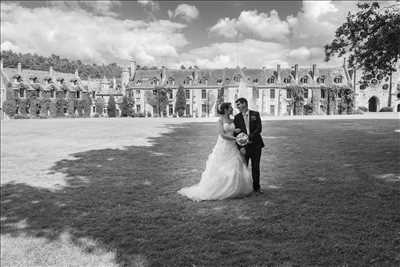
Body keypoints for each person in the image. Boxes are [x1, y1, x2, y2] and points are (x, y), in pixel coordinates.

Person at [178, 102, 253, 201]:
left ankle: (236, 189)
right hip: (224, 145)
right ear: (226, 109)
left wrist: (237, 132)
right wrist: (236, 139)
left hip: (233, 146)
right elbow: (222, 134)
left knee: (235, 164)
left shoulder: (233, 119)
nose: (232, 109)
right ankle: (220, 188)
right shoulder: (221, 120)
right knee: (221, 166)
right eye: (230, 107)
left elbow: (232, 130)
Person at [233, 98, 264, 193]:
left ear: (244, 104)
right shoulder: (237, 117)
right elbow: (236, 134)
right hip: (244, 147)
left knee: (256, 167)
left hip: (256, 145)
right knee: (244, 168)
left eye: (238, 104)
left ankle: (257, 188)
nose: (237, 106)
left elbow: (259, 128)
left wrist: (249, 137)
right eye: (237, 104)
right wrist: (241, 147)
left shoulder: (255, 114)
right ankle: (245, 188)